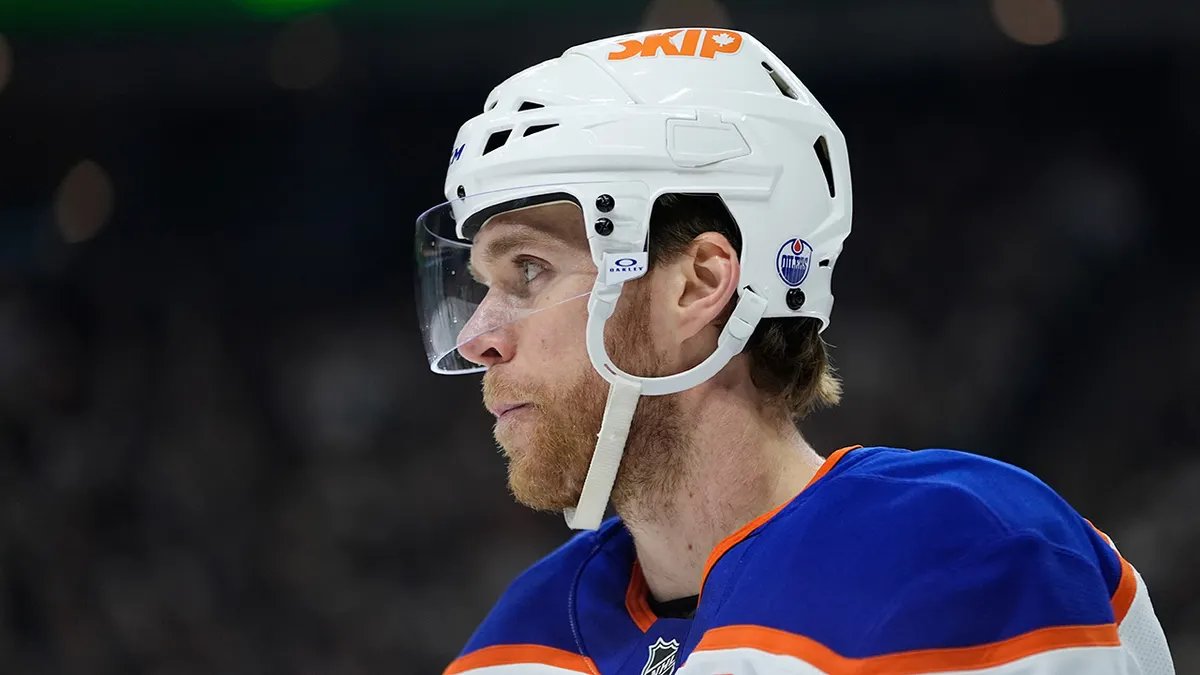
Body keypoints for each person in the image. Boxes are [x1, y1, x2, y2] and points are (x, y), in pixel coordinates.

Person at [413, 27, 1175, 675]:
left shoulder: (975, 559)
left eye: (529, 271)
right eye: (483, 285)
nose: (479, 337)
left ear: (698, 283)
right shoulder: (513, 647)